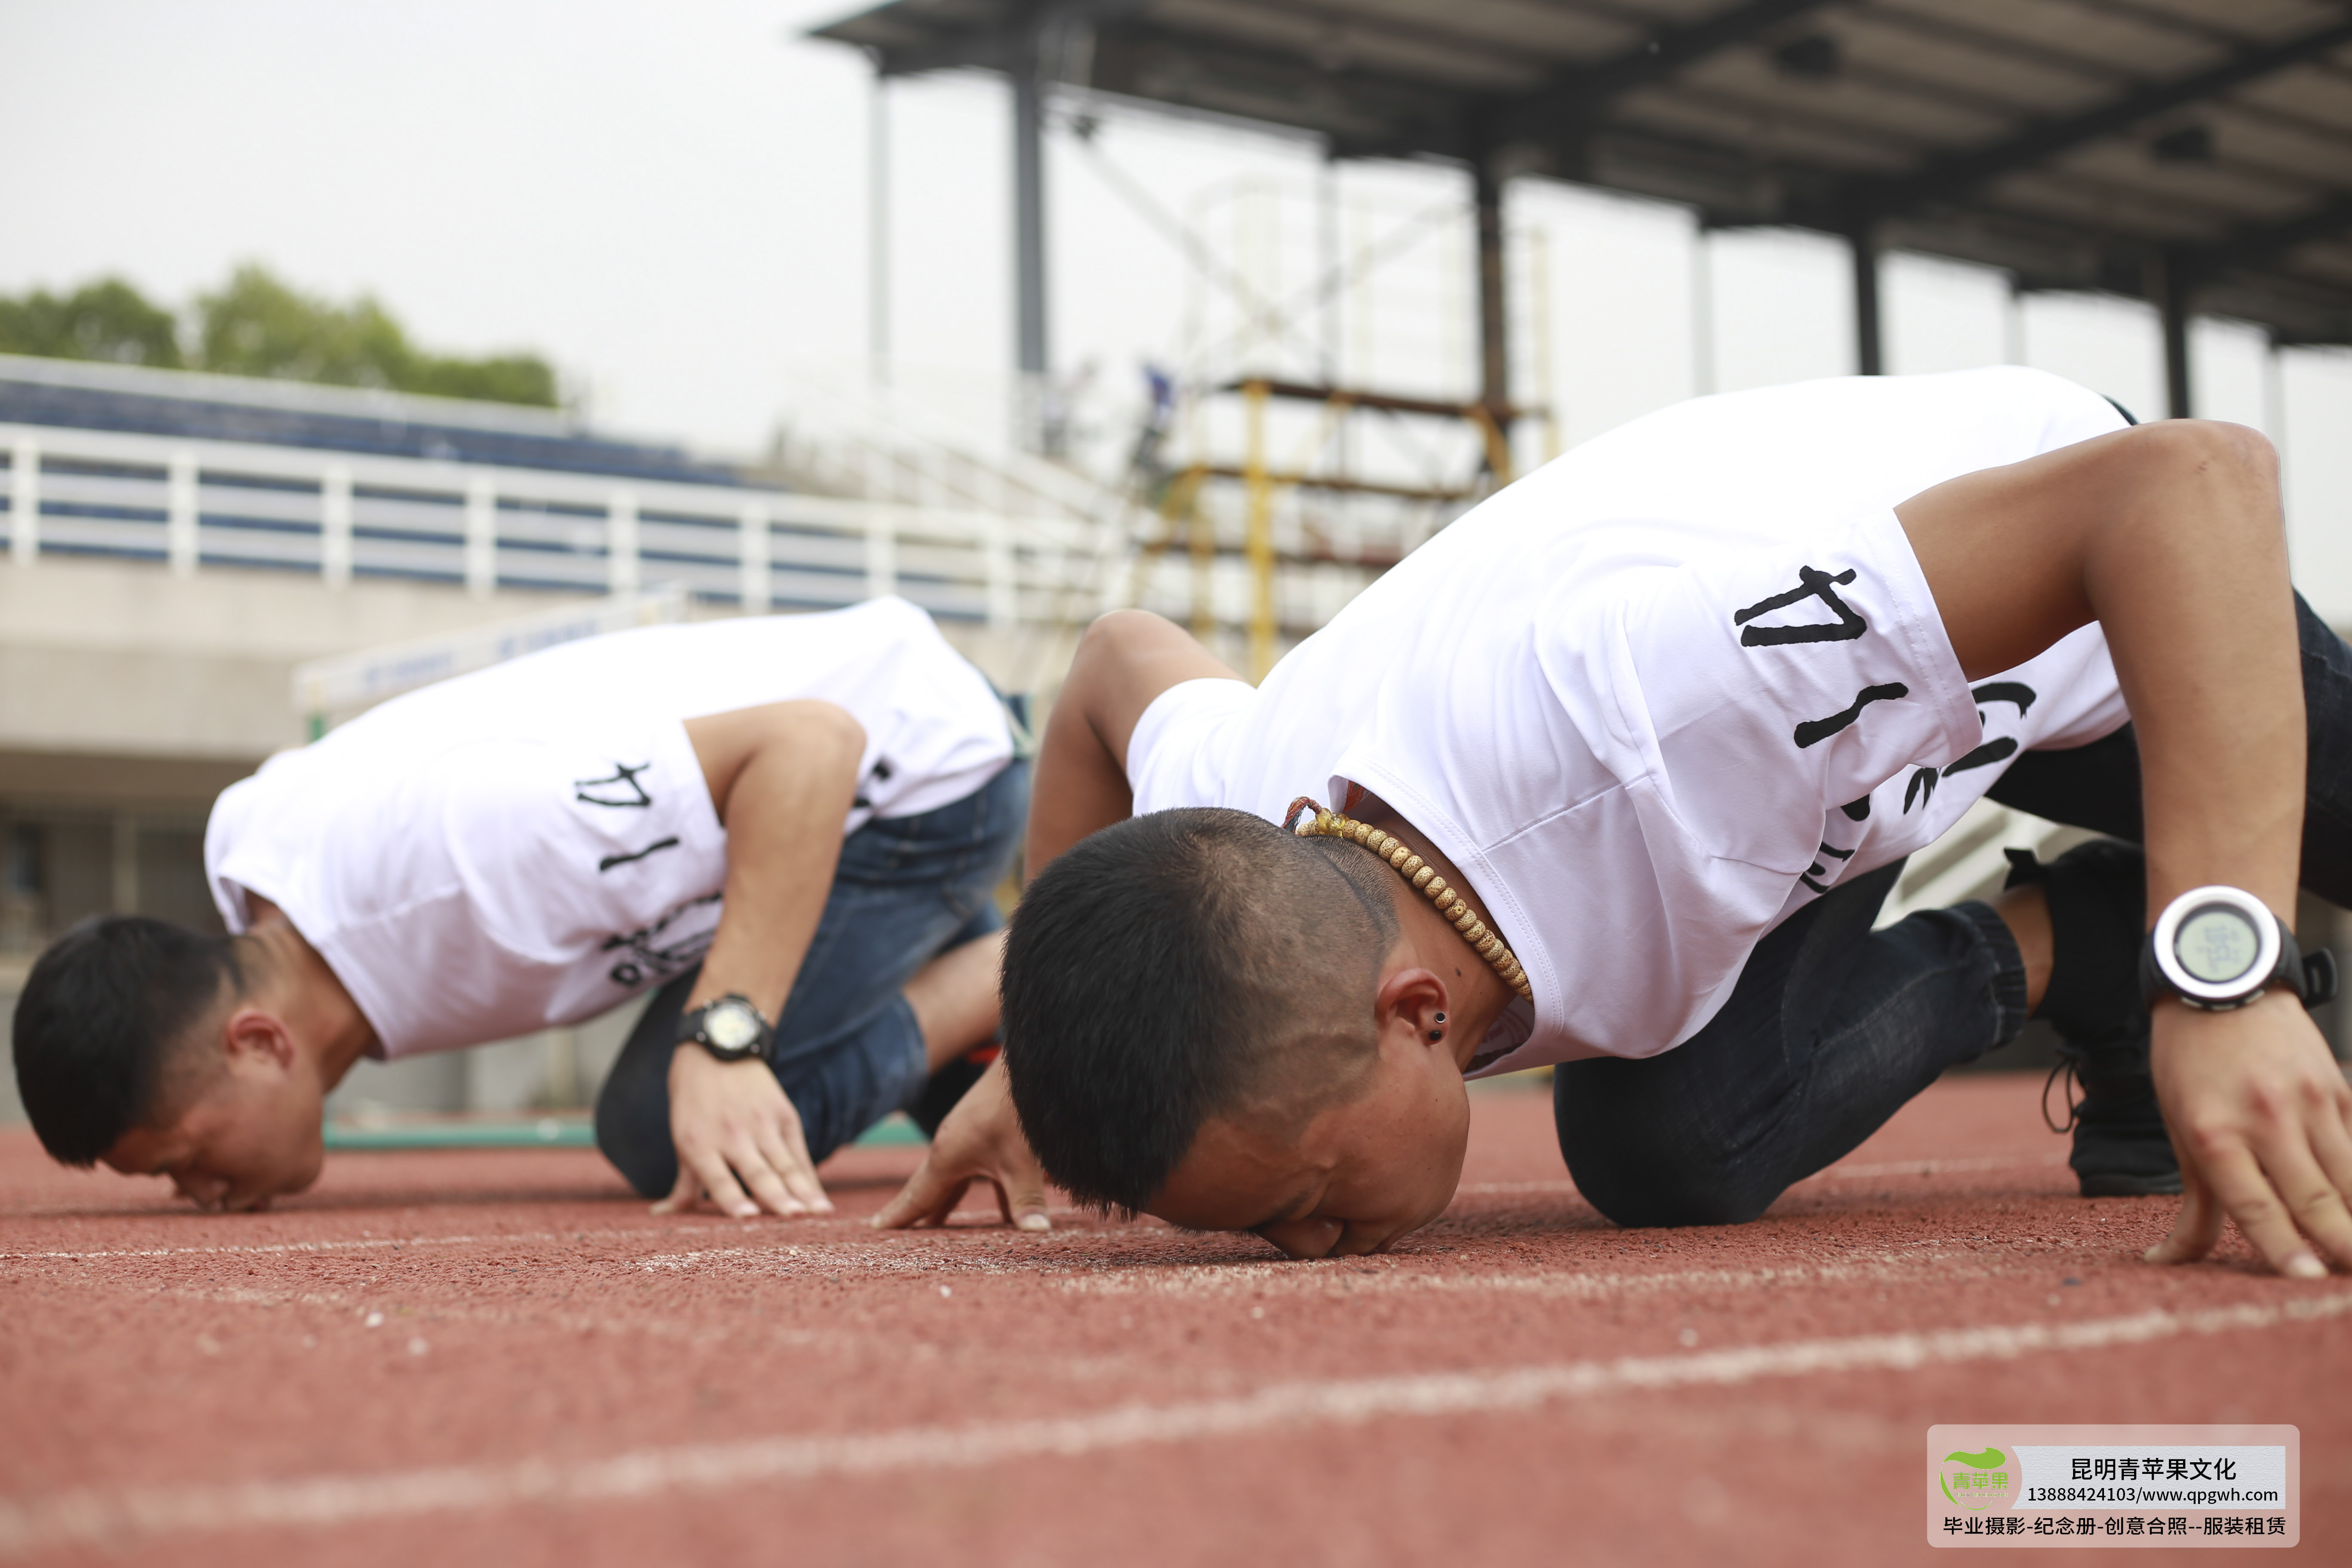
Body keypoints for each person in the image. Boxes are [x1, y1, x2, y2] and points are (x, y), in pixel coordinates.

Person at [873, 366, 2352, 1283]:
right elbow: (1112, 663)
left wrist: (2222, 965)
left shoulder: (1669, 707)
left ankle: (2153, 934)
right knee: (1669, 1155)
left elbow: (2188, 482)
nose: (1304, 1245)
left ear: (1412, 1007)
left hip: (2084, 601)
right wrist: (1050, 1047)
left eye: (1304, 1200)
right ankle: (2076, 941)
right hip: (1809, 767)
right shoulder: (1243, 812)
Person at [12, 595, 1027, 1218]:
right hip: (788, 809)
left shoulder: (480, 864)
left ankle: (1012, 965)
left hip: (919, 780)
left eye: (186, 1161)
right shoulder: (256, 861)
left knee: (658, 1127)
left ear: (260, 1042)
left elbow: (810, 745)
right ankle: (966, 1001)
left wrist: (726, 1042)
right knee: (997, 1117)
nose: (199, 1195)